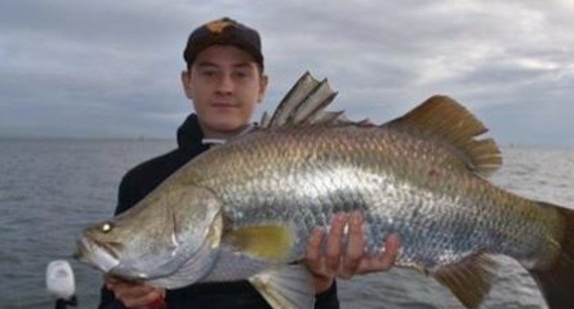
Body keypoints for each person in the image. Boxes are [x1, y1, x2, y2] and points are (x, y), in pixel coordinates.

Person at [98, 17, 401, 309]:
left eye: (241, 74)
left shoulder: (313, 156)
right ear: (187, 82)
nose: (225, 87)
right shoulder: (142, 181)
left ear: (263, 86)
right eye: (209, 73)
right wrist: (134, 303)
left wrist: (320, 283)